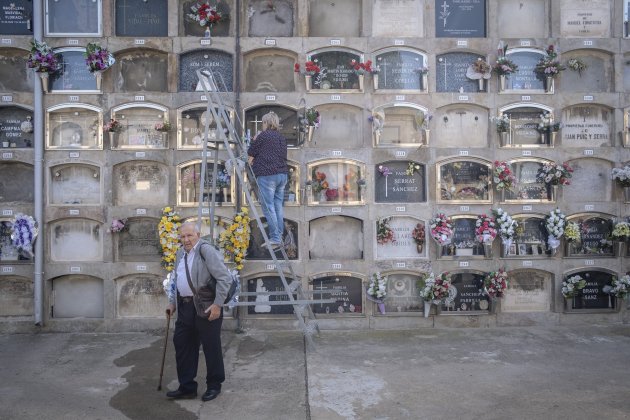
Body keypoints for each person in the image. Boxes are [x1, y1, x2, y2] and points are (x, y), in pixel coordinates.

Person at [165, 222, 232, 402]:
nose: (186, 240)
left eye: (190, 236)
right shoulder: (180, 253)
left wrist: (218, 305)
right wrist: (172, 303)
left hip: (206, 306)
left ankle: (214, 385)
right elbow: (177, 280)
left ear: (198, 234)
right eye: (183, 236)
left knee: (211, 347)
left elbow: (225, 278)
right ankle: (187, 387)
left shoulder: (206, 251)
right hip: (185, 306)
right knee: (183, 345)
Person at [247, 111, 288, 249]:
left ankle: (275, 238)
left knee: (268, 207)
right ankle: (279, 236)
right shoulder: (281, 137)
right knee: (277, 207)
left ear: (266, 123)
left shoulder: (263, 136)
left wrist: (255, 139)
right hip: (282, 176)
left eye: (263, 123)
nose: (262, 125)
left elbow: (251, 153)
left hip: (267, 176)